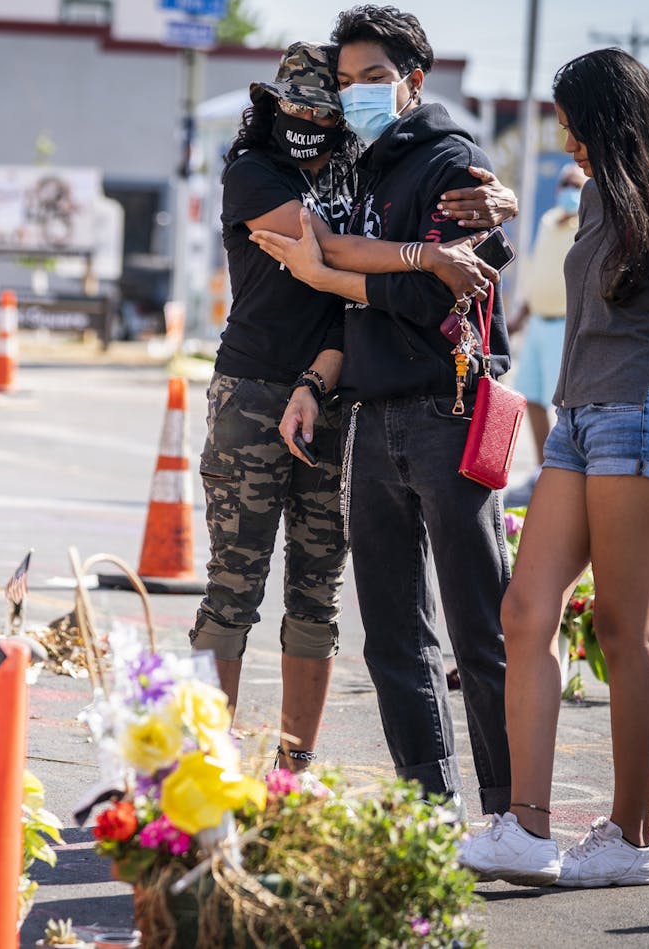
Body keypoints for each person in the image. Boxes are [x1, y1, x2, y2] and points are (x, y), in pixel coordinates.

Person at [458, 48, 649, 887]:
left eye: (572, 121)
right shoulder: (596, 196)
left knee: (627, 632)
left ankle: (632, 839)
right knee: (526, 609)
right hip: (579, 424)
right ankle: (527, 829)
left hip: (646, 419)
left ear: (609, 117)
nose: (565, 138)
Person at [195, 40, 516, 772]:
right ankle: (198, 771)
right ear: (270, 107)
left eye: (323, 105)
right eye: (294, 105)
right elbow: (328, 251)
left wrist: (507, 197)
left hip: (335, 395)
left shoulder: (357, 167)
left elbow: (449, 215)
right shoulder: (252, 172)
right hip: (252, 393)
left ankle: (291, 772)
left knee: (316, 596)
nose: (308, 116)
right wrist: (423, 257)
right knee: (233, 591)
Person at [509, 164, 586, 491]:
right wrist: (517, 320)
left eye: (576, 185)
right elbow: (535, 273)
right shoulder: (548, 221)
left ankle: (566, 474)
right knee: (533, 398)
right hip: (538, 323)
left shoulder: (588, 224)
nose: (569, 190)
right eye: (565, 184)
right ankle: (544, 469)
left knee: (562, 403)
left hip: (567, 326)